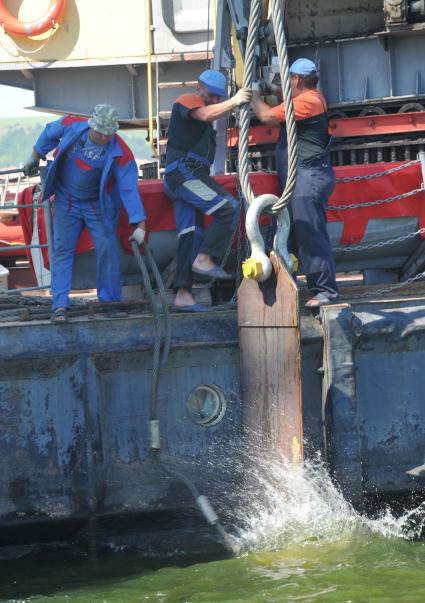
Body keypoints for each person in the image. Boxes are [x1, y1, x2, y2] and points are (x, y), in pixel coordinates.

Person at [23, 104, 146, 322]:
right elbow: (50, 130)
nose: (103, 138)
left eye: (108, 134)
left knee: (108, 250)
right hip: (65, 201)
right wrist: (35, 154)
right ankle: (59, 305)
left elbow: (129, 188)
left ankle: (110, 303)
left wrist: (140, 223)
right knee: (61, 251)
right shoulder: (72, 125)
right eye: (99, 132)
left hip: (96, 205)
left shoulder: (121, 152)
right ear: (91, 125)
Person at [252, 58, 339, 307]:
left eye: (288, 79)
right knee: (289, 233)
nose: (285, 84)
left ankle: (326, 291)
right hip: (302, 177)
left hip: (307, 178)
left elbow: (266, 116)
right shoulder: (313, 96)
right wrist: (271, 89)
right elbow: (285, 96)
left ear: (297, 80)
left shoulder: (306, 102)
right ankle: (285, 284)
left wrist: (254, 96)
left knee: (310, 233)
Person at [164, 69, 251, 312]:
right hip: (184, 174)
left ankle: (183, 294)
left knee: (190, 234)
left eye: (217, 97)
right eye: (212, 95)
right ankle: (205, 258)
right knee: (229, 208)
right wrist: (234, 101)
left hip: (184, 177)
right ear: (199, 88)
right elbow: (203, 114)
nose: (214, 101)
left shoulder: (203, 116)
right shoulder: (188, 100)